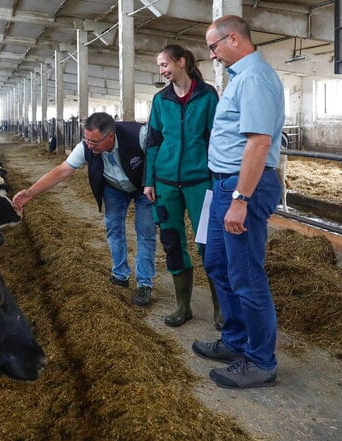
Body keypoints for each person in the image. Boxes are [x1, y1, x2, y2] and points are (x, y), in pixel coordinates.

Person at [191, 15, 284, 389]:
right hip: (223, 184)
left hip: (242, 187)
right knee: (216, 263)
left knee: (246, 276)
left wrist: (241, 198)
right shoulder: (239, 79)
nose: (212, 55)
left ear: (233, 39)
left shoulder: (256, 78)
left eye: (214, 47)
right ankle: (234, 342)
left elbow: (259, 142)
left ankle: (262, 361)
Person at [12, 112, 157, 306]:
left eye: (94, 142)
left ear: (110, 137)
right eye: (86, 140)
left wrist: (157, 184)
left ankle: (144, 283)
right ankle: (120, 275)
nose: (89, 145)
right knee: (113, 228)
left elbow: (158, 157)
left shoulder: (139, 135)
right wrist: (30, 192)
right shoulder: (86, 147)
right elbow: (62, 170)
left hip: (143, 187)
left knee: (145, 232)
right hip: (114, 187)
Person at [143, 44, 222, 330]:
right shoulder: (161, 99)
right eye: (160, 66)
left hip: (200, 182)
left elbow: (216, 138)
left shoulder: (207, 95)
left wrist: (217, 179)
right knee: (172, 243)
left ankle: (220, 308)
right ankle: (183, 306)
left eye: (164, 65)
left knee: (209, 244)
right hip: (165, 185)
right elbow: (153, 141)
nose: (162, 71)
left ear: (181, 62)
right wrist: (148, 181)